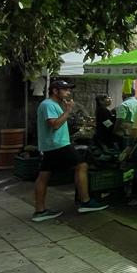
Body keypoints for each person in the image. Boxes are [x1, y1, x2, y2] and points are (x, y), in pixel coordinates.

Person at [33, 80, 109, 222]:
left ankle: (40, 211)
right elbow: (54, 125)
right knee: (82, 165)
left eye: (69, 89)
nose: (68, 92)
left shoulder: (53, 104)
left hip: (51, 145)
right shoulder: (48, 104)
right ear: (55, 91)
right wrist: (68, 110)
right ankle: (85, 202)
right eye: (65, 90)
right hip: (58, 145)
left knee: (43, 176)